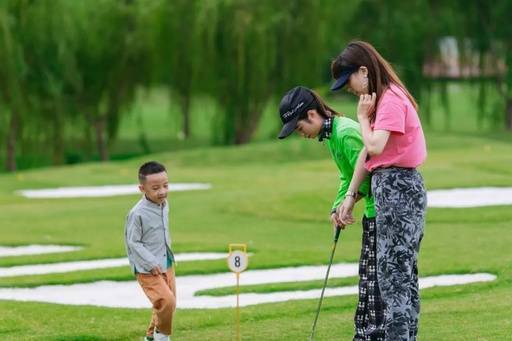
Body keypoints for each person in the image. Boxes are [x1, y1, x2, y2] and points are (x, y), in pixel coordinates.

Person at [331, 41, 427, 341]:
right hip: (390, 189)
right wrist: (349, 198)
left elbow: (374, 146)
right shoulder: (379, 102)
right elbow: (365, 157)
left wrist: (361, 118)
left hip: (400, 190)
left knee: (395, 278)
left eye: (349, 81)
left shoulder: (390, 100)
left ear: (364, 71)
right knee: (397, 275)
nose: (349, 89)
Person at [278, 86, 385, 340]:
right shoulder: (333, 134)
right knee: (367, 282)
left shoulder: (345, 133)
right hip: (372, 213)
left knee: (375, 285)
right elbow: (347, 176)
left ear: (312, 115)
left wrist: (349, 202)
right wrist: (336, 207)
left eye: (300, 128)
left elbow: (370, 178)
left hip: (381, 213)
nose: (301, 134)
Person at [124, 161, 176, 341]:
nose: (162, 191)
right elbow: (133, 242)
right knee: (166, 302)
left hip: (166, 262)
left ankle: (150, 337)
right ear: (142, 188)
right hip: (147, 268)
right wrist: (150, 262)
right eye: (155, 188)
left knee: (167, 304)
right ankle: (162, 338)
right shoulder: (137, 213)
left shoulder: (164, 204)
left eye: (165, 185)